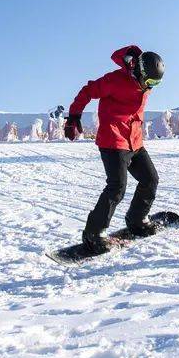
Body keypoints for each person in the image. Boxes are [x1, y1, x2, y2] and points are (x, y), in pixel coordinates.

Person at [65, 45, 165, 254]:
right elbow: (88, 90)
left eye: (156, 84)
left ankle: (137, 220)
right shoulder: (114, 80)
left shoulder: (143, 84)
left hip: (135, 141)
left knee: (150, 179)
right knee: (117, 187)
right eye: (149, 82)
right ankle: (94, 232)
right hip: (113, 141)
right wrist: (74, 116)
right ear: (139, 72)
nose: (150, 87)